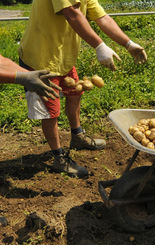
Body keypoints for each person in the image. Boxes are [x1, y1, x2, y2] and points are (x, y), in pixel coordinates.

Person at [18, 0, 147, 178]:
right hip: (41, 58)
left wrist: (128, 44)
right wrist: (100, 45)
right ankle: (59, 157)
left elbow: (102, 17)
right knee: (50, 111)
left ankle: (77, 136)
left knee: (75, 94)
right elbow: (72, 14)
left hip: (63, 57)